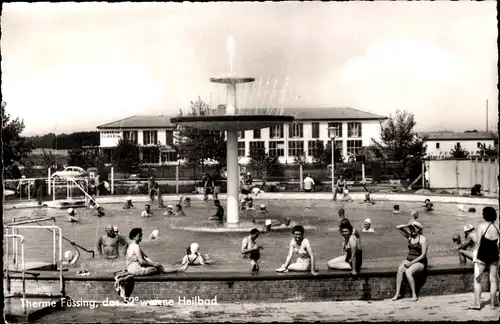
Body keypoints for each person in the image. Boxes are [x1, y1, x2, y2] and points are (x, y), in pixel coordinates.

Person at [470, 206, 499, 310]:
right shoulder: (497, 227)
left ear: (485, 215)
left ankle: (477, 304)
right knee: (493, 280)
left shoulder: (481, 226)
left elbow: (478, 243)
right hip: (494, 255)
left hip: (482, 255)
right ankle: (492, 304)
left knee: (477, 279)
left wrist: (475, 256)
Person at [392, 220, 428, 302]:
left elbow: (423, 255)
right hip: (409, 259)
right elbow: (398, 227)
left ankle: (414, 295)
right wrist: (408, 225)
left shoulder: (423, 239)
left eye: (413, 229)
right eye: (410, 229)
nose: (411, 231)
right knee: (400, 270)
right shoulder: (410, 237)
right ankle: (397, 293)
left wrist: (411, 263)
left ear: (418, 230)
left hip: (420, 262)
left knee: (408, 272)